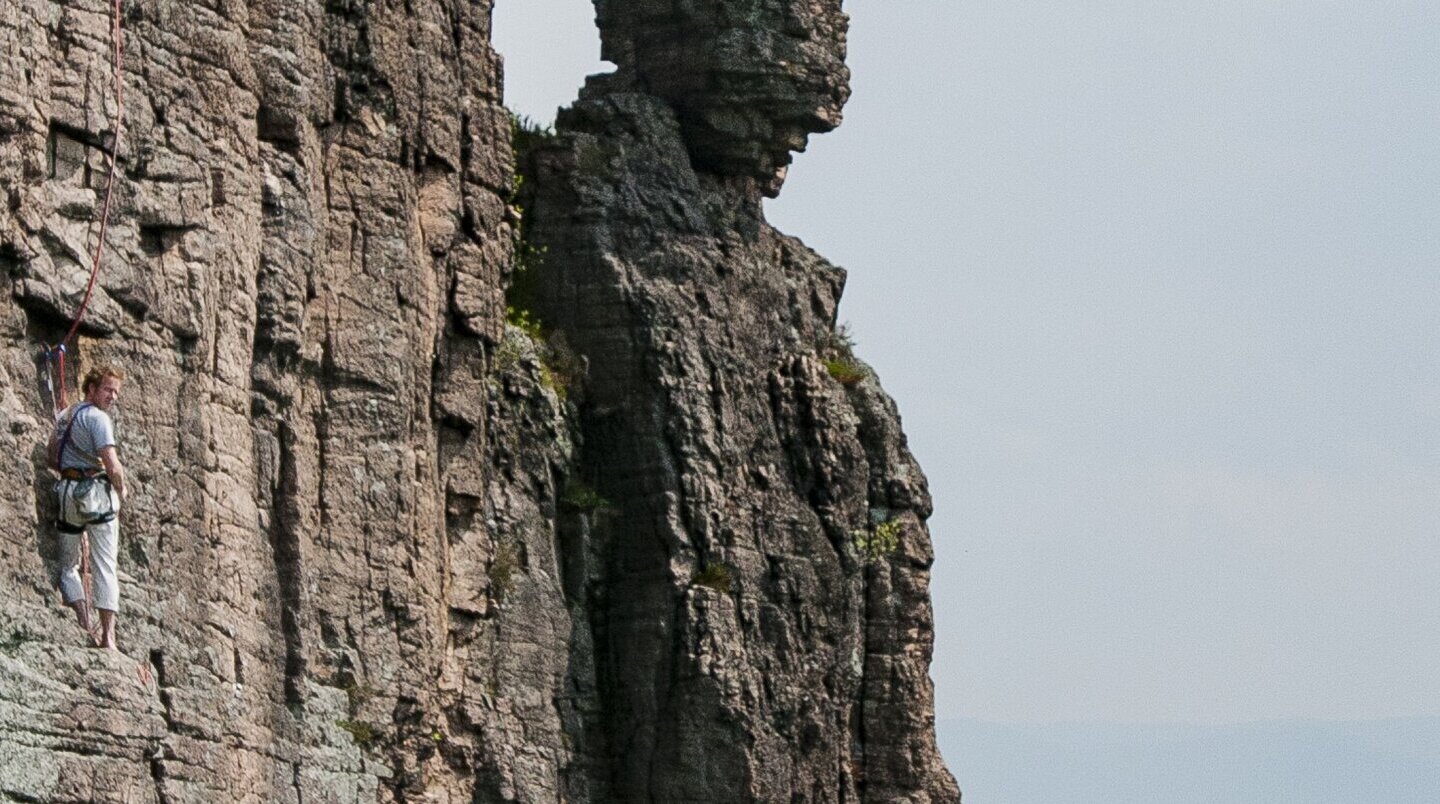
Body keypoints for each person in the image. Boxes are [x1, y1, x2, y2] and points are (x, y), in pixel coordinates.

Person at [47, 365, 128, 650]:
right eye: (108, 389)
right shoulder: (99, 419)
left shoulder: (65, 416)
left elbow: (51, 456)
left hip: (68, 493)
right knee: (105, 564)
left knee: (68, 566)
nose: (113, 396)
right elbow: (112, 465)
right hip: (96, 495)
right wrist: (122, 490)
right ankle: (108, 636)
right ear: (91, 389)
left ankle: (83, 621)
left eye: (116, 391)